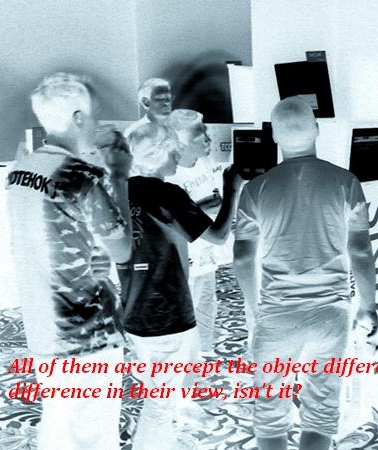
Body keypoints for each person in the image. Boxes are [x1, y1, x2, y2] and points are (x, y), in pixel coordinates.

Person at [233, 96, 378, 450]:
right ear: (316, 129)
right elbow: (360, 251)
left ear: (274, 136)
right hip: (331, 312)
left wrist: (255, 309)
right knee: (322, 405)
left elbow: (242, 258)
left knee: (270, 405)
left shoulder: (254, 190)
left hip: (277, 312)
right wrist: (367, 306)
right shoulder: (346, 182)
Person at [5, 72, 133, 450]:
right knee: (94, 431)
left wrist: (92, 256)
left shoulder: (19, 171)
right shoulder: (82, 176)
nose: (95, 124)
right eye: (92, 115)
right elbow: (123, 249)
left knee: (58, 422)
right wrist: (120, 177)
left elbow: (56, 235)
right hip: (86, 329)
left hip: (41, 320)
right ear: (78, 118)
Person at [118, 121, 241, 450]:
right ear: (159, 155)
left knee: (158, 391)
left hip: (134, 308)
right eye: (173, 151)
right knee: (159, 404)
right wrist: (232, 190)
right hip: (167, 311)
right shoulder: (167, 193)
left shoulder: (120, 192)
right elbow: (219, 236)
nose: (177, 157)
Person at [167, 109, 225, 358]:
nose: (209, 141)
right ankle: (183, 361)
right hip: (184, 258)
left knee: (207, 302)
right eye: (201, 138)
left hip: (206, 252)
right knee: (185, 310)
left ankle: (206, 351)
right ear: (181, 145)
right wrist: (203, 208)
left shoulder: (203, 163)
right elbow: (171, 218)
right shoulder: (170, 175)